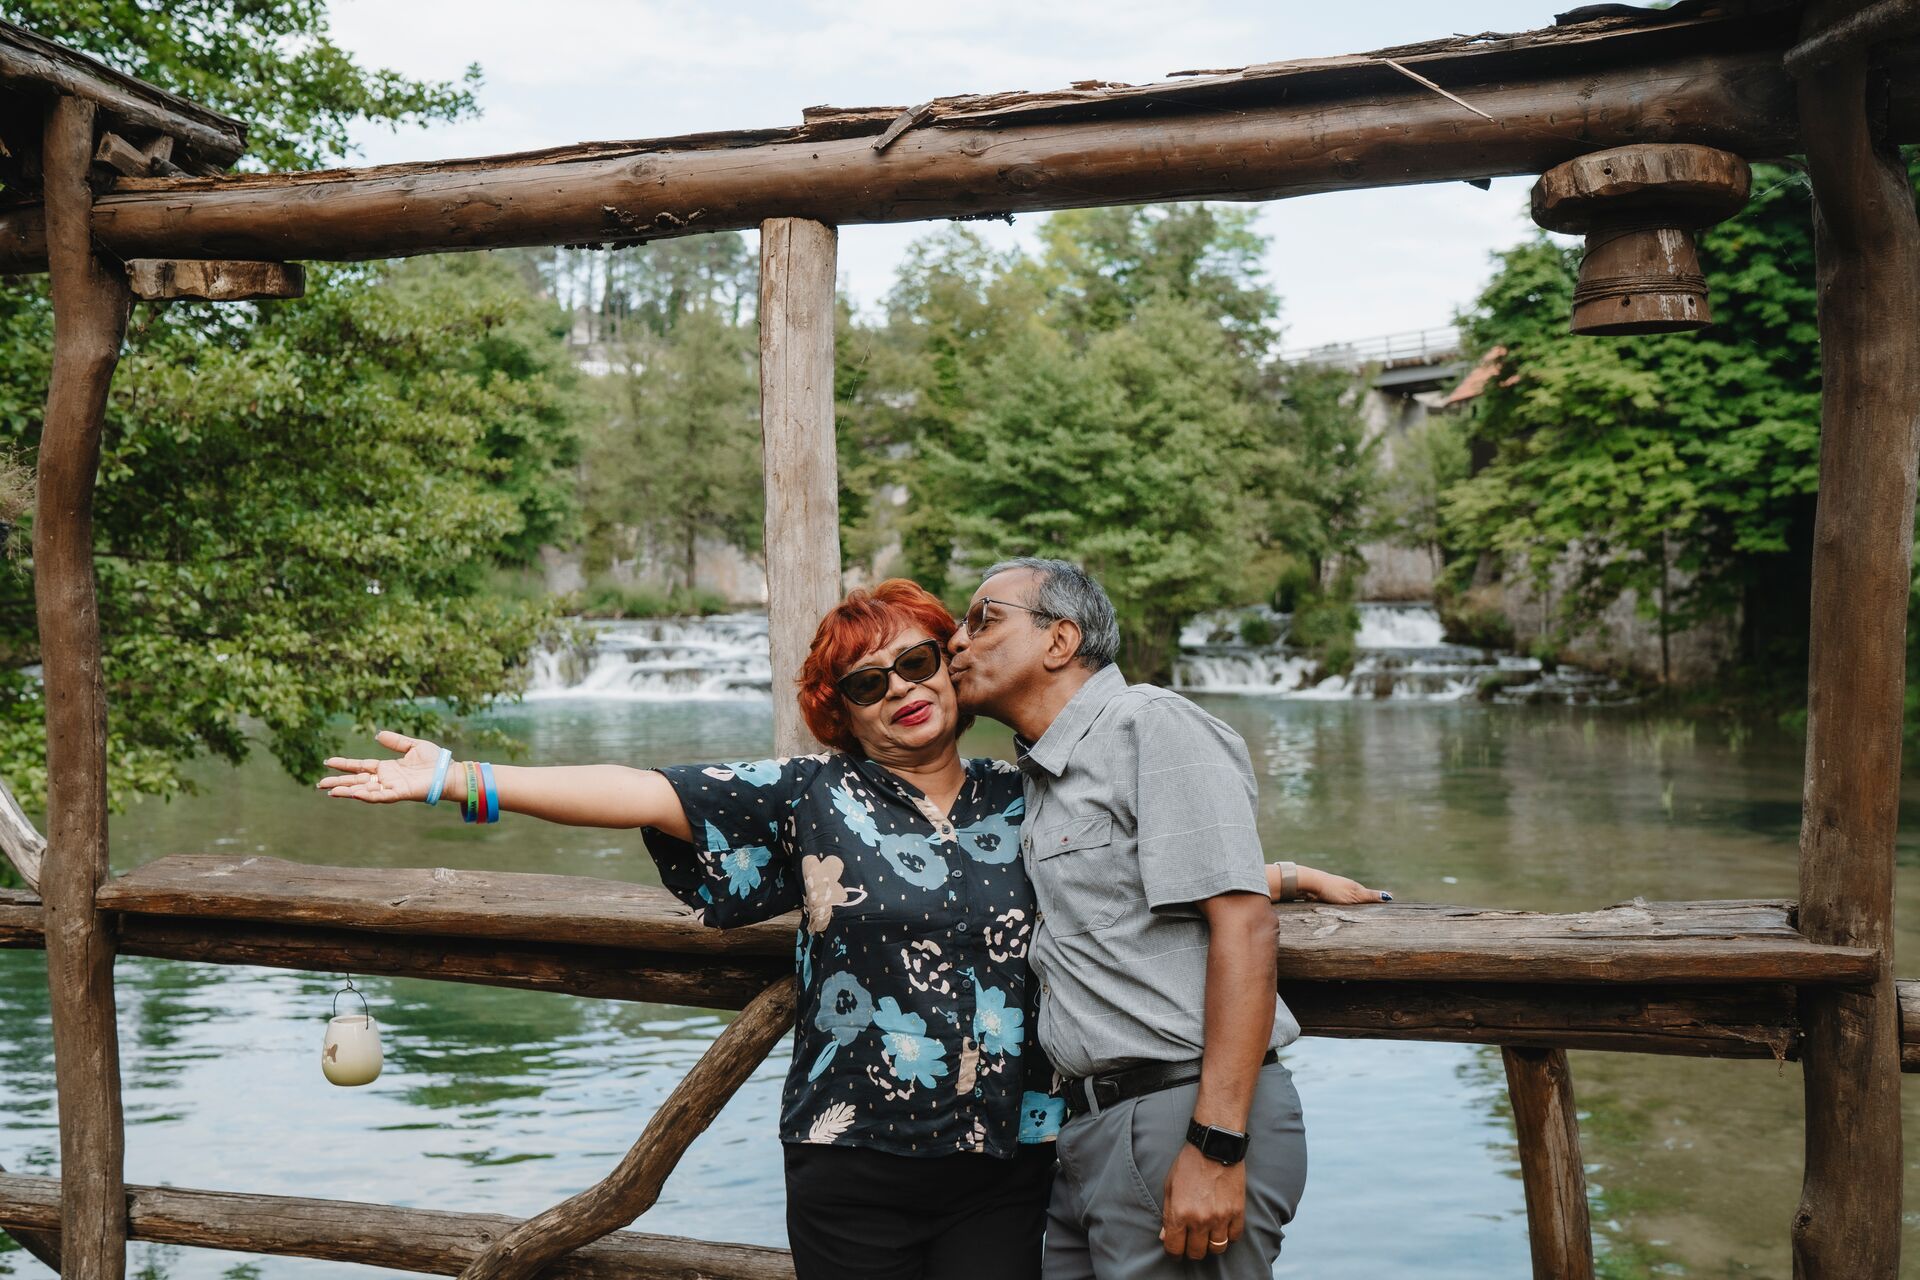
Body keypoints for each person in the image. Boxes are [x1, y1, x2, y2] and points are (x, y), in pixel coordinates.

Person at [316, 578, 1379, 1279]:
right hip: (852, 1158)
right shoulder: (810, 796)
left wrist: (1269, 871)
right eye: (867, 682)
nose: (903, 688)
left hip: (1013, 1159)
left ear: (953, 675)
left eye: (923, 660)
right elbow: (641, 788)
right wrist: (462, 777)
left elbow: (1124, 872)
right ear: (842, 709)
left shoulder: (1031, 790)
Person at [947, 558, 1388, 1279]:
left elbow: (1242, 926)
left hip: (1181, 1110)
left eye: (982, 619)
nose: (957, 644)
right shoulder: (1044, 777)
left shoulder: (1149, 726)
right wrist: (1289, 875)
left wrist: (1215, 1147)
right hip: (1089, 1133)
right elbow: (1123, 896)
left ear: (1060, 641)